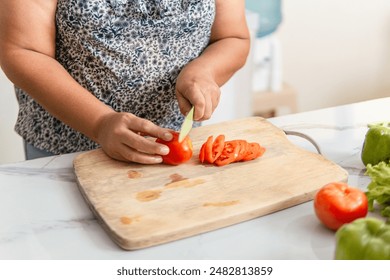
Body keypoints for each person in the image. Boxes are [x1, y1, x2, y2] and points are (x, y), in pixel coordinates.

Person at [0, 0, 250, 163]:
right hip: (65, 150)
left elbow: (232, 37)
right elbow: (22, 51)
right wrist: (100, 123)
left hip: (175, 146)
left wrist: (204, 71)